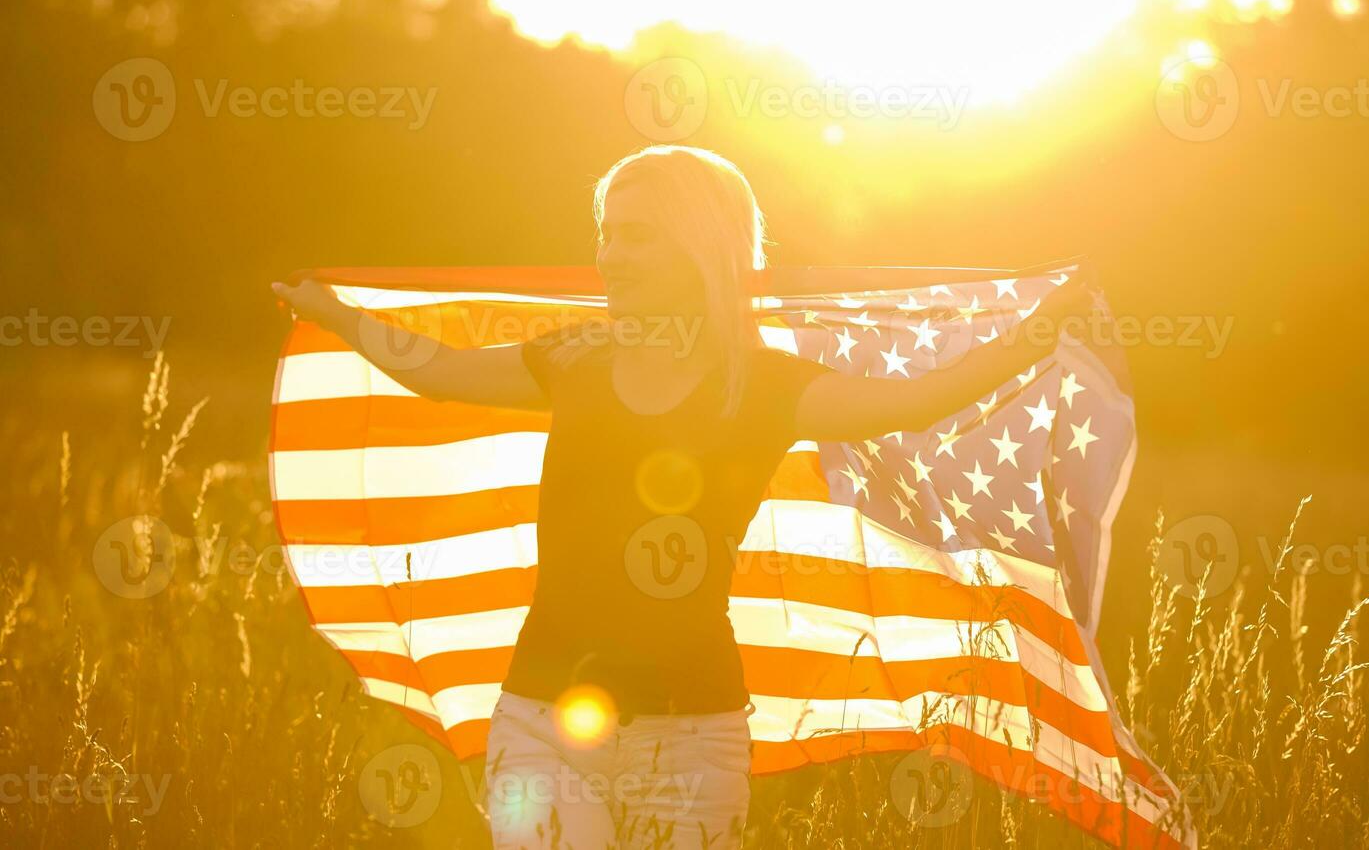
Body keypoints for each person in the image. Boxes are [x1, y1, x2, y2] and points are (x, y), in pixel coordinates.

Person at [271, 144, 1092, 848]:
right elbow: (440, 374)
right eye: (606, 234)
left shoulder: (765, 388)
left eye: (637, 236)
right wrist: (334, 313)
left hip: (695, 740)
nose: (609, 256)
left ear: (699, 250)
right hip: (539, 725)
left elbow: (914, 402)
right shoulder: (578, 358)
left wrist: (1044, 328)